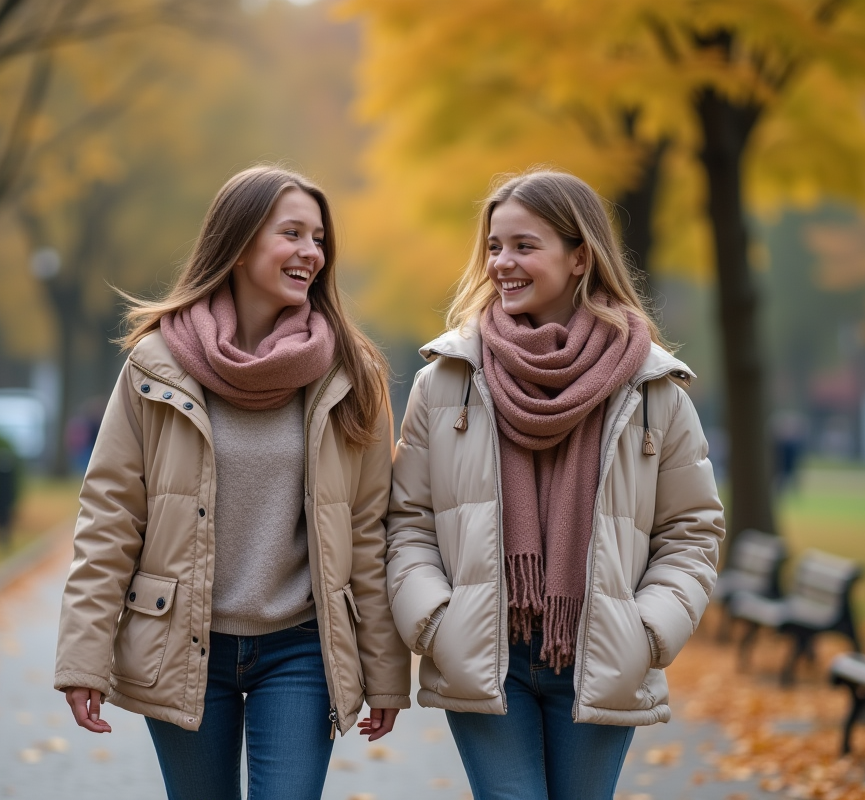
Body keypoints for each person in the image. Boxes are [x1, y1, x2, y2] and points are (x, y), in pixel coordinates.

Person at [54, 166, 410, 800]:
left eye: (319, 239)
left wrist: (384, 671)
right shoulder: (155, 364)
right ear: (241, 243)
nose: (312, 253)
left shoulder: (353, 374)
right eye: (292, 233)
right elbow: (110, 516)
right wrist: (84, 658)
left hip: (301, 648)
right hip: (183, 640)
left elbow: (367, 533)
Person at [386, 169, 725, 799]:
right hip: (487, 653)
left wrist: (645, 630)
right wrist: (438, 621)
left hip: (599, 654)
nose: (501, 264)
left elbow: (693, 532)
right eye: (493, 247)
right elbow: (409, 520)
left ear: (579, 258)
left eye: (523, 246)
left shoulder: (651, 388)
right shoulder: (448, 380)